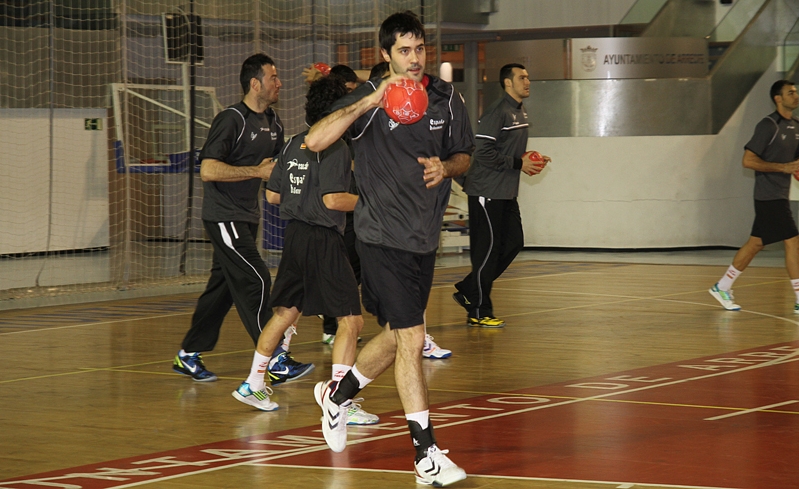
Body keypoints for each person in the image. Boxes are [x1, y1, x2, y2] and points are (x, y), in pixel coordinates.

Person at [305, 11, 474, 487]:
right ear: (385, 55)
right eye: (404, 50)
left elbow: (465, 154)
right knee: (414, 340)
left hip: (423, 240)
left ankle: (337, 396)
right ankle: (426, 457)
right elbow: (317, 139)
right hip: (380, 238)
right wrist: (369, 100)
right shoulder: (368, 99)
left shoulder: (445, 97)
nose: (414, 58)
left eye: (420, 48)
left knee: (400, 337)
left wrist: (447, 167)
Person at [232, 75, 378, 426]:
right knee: (351, 320)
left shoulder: (293, 142)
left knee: (284, 314)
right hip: (322, 239)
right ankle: (340, 398)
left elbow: (272, 195)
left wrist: (305, 195)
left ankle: (253, 383)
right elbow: (333, 199)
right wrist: (374, 202)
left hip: (294, 236)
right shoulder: (335, 146)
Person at [172, 53, 313, 384]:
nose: (279, 83)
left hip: (248, 217)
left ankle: (189, 354)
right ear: (255, 83)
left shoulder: (275, 124)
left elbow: (274, 172)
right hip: (223, 217)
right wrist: (255, 171)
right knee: (259, 280)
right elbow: (208, 170)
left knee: (222, 289)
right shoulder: (231, 119)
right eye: (273, 77)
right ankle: (274, 358)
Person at [452, 63, 551, 328]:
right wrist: (519, 164)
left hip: (506, 191)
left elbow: (509, 150)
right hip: (487, 191)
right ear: (508, 83)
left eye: (528, 77)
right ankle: (479, 310)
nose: (527, 81)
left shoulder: (520, 110)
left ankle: (469, 289)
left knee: (513, 242)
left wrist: (530, 158)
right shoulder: (498, 112)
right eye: (522, 78)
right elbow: (483, 152)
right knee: (487, 253)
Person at [709, 79, 799, 312]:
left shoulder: (797, 126)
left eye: (796, 92)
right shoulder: (768, 125)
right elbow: (748, 160)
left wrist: (793, 168)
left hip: (780, 193)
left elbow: (795, 164)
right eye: (790, 92)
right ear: (778, 98)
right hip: (767, 195)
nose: (795, 95)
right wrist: (783, 168)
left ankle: (722, 285)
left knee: (755, 243)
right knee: (793, 241)